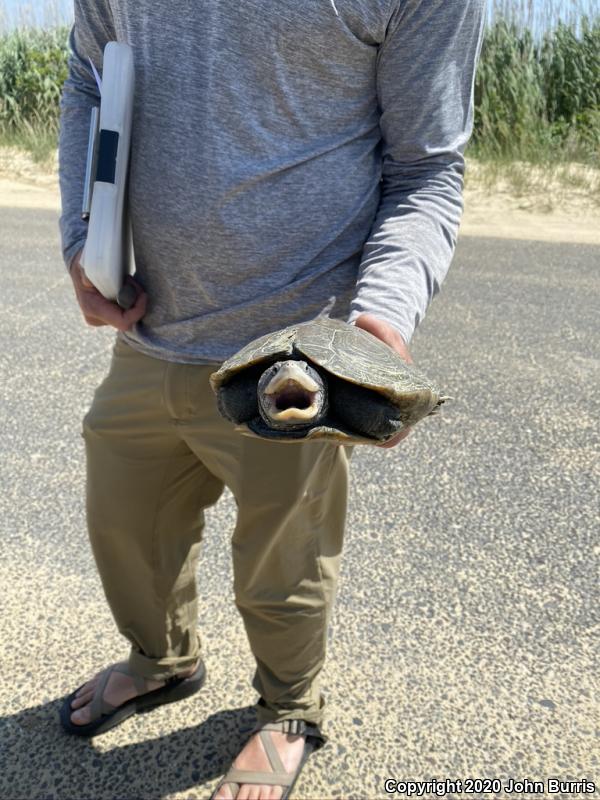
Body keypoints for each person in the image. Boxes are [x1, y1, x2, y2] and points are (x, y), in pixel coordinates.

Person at [57, 1, 484, 798]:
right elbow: (89, 74)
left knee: (284, 561)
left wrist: (379, 324)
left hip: (296, 355)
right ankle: (162, 661)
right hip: (148, 330)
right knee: (126, 525)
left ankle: (289, 711)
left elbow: (427, 167)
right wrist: (81, 233)